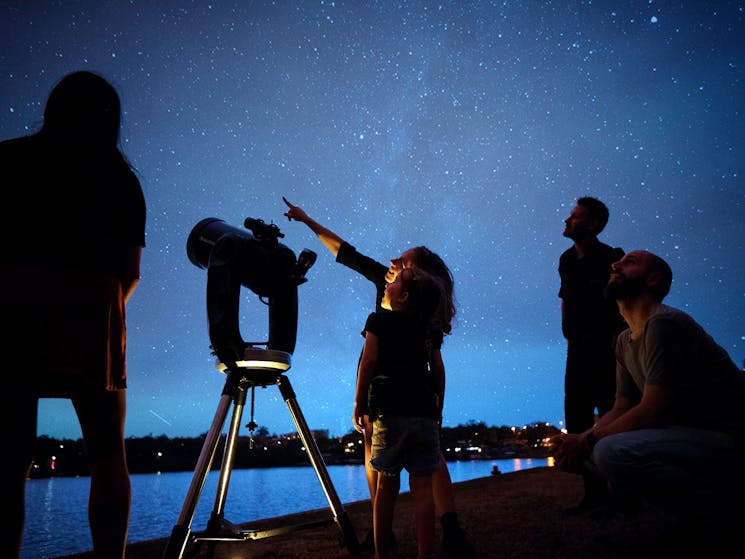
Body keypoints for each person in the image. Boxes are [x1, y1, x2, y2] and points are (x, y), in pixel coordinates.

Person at [0, 71, 147, 559]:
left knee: (8, 460)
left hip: (13, 307)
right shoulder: (120, 179)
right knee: (108, 454)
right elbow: (130, 272)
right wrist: (103, 314)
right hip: (92, 311)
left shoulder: (8, 160)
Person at [283, 197, 475, 558]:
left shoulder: (414, 297)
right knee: (386, 459)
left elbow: (433, 360)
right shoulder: (391, 283)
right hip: (392, 393)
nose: (392, 263)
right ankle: (383, 534)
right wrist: (308, 220)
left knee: (414, 464)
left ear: (414, 278)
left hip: (393, 389)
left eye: (401, 262)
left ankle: (447, 529)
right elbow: (343, 250)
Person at [551, 250, 745, 542]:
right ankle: (695, 508)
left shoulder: (664, 324)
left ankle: (722, 503)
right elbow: (622, 406)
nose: (615, 264)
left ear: (653, 279)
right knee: (592, 451)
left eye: (629, 262)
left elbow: (654, 410)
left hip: (726, 437)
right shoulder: (624, 340)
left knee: (609, 451)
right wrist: (579, 439)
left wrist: (589, 439)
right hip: (687, 438)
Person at [354, 266, 449, 559]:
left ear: (404, 296)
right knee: (422, 488)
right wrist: (438, 408)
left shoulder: (378, 321)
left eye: (394, 282)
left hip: (389, 412)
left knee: (386, 485)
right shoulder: (428, 328)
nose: (387, 283)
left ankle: (382, 553)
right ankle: (425, 554)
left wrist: (359, 402)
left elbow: (368, 362)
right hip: (423, 413)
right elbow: (439, 371)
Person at [557, 196, 625, 513]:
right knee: (578, 419)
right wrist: (568, 336)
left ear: (593, 223)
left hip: (607, 352)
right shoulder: (566, 260)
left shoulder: (612, 258)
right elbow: (565, 298)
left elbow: (622, 302)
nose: (567, 221)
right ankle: (593, 494)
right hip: (577, 353)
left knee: (613, 414)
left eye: (575, 217)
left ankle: (626, 494)